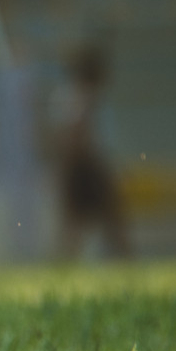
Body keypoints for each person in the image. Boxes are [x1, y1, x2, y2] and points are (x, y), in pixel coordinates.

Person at [51, 43, 132, 261]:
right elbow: (76, 132)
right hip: (88, 166)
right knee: (109, 219)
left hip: (80, 166)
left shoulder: (69, 95)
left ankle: (64, 265)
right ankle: (126, 263)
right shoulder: (83, 97)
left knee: (78, 224)